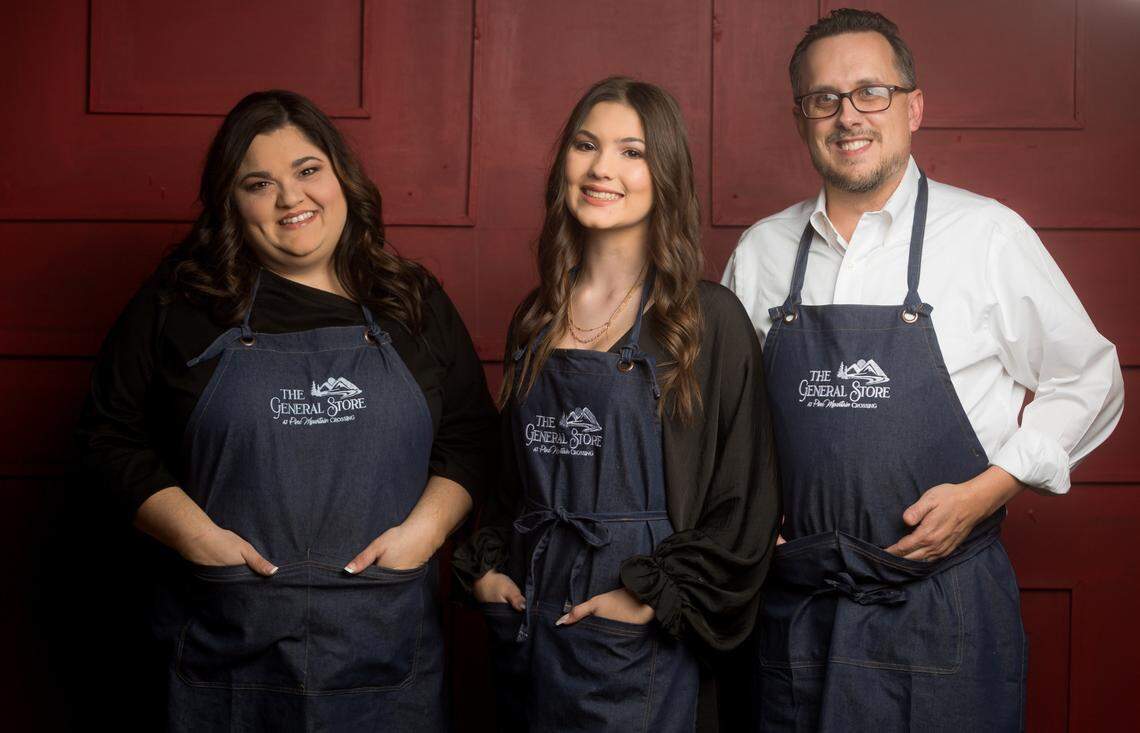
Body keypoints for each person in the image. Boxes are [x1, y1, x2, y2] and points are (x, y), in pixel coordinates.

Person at [721, 9, 1124, 731]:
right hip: (794, 614)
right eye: (826, 98)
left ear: (913, 106)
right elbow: (726, 423)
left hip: (944, 609)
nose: (849, 116)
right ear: (801, 116)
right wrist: (748, 526)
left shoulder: (987, 235)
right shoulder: (760, 253)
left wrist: (988, 489)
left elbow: (1091, 378)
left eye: (870, 91)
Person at [76, 90, 496, 731]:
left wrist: (425, 535)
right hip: (227, 640)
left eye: (307, 171)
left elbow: (470, 435)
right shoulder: (183, 304)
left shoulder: (411, 302)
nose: (290, 199)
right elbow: (108, 436)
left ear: (340, 178)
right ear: (232, 204)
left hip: (381, 642)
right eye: (259, 183)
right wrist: (198, 539)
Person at [452, 77, 781, 732]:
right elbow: (508, 479)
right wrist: (488, 571)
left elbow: (744, 503)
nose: (603, 168)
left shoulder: (706, 321)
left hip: (638, 637)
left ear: (665, 174)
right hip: (531, 620)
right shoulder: (536, 316)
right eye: (585, 145)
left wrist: (650, 598)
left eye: (631, 151)